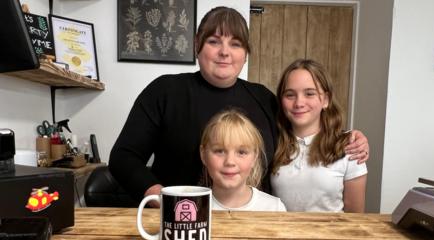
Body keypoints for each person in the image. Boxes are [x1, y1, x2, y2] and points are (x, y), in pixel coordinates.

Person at [109, 6, 369, 205]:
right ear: (196, 45)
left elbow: (302, 131)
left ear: (245, 53)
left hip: (251, 227)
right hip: (180, 224)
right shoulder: (164, 91)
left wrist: (349, 138)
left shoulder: (264, 98)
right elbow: (123, 158)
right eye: (214, 41)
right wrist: (164, 201)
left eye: (235, 44)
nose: (225, 52)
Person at [271, 59, 368, 213]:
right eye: (290, 95)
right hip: (281, 235)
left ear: (326, 100)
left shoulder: (349, 146)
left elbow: (355, 218)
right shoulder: (272, 143)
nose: (299, 103)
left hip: (332, 236)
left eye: (309, 93)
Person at [199, 109, 286, 211]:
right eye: (219, 151)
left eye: (241, 152)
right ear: (203, 155)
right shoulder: (192, 207)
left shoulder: (273, 208)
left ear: (255, 157)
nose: (230, 162)